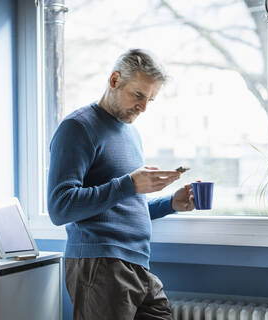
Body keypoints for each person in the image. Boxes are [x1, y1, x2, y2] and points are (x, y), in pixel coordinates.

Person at [47, 48, 195, 320]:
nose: (144, 107)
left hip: (138, 264)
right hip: (100, 264)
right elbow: (60, 207)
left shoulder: (131, 134)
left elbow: (122, 204)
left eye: (151, 99)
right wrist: (128, 184)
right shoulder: (77, 128)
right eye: (138, 95)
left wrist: (171, 203)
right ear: (114, 80)